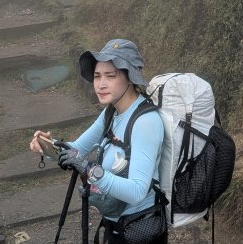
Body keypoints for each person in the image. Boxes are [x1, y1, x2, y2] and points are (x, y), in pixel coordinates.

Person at [29, 38, 167, 243]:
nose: (101, 84)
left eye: (110, 76)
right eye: (97, 76)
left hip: (141, 232)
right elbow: (76, 150)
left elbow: (137, 191)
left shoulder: (145, 122)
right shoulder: (111, 112)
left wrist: (89, 170)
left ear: (130, 77)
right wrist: (49, 145)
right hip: (115, 227)